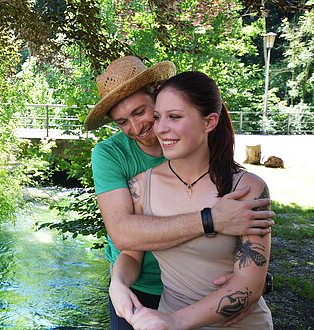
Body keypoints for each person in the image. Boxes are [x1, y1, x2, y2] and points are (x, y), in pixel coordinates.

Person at [84, 56, 274, 329]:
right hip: (146, 291)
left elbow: (249, 270)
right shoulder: (133, 177)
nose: (140, 128)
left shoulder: (243, 185)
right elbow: (125, 240)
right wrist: (118, 282)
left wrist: (256, 280)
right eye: (123, 121)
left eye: (141, 112)